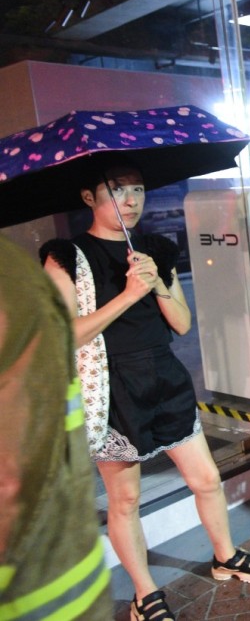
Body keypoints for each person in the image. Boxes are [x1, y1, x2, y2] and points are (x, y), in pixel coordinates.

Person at [41, 166, 250, 621]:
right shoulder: (65, 257)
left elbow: (183, 324)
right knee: (125, 499)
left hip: (165, 378)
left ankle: (225, 556)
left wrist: (161, 283)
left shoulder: (155, 249)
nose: (130, 200)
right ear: (89, 197)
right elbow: (66, 335)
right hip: (112, 389)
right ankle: (144, 592)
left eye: (138, 190)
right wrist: (130, 294)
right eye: (117, 191)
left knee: (206, 479)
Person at [1, 236, 113, 620]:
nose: (131, 199)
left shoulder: (10, 279)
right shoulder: (27, 269)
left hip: (36, 587)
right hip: (61, 576)